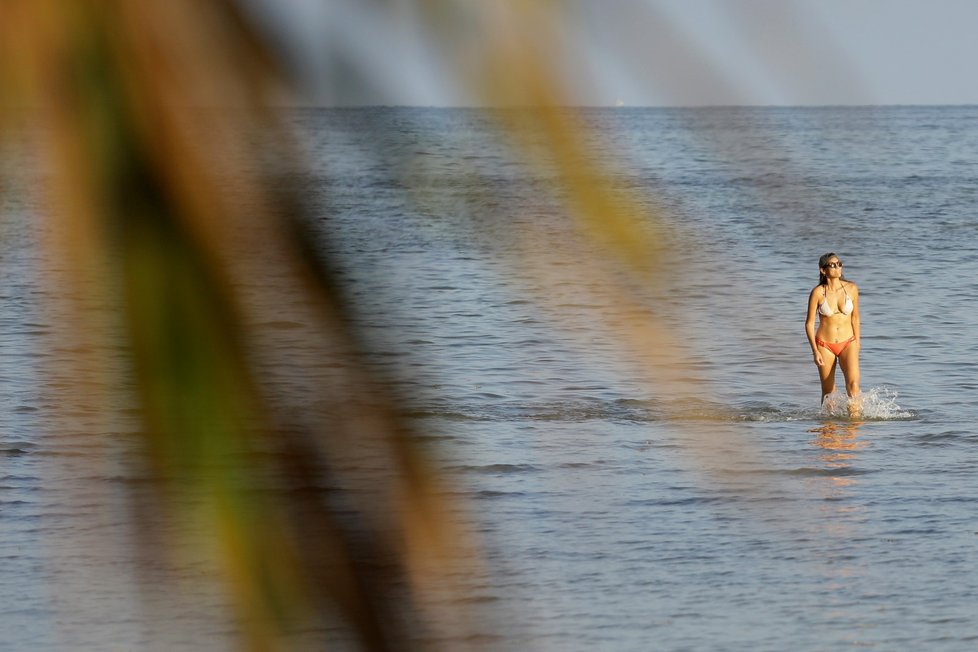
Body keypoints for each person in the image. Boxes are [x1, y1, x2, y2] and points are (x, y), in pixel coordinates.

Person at [805, 252, 861, 414]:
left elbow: (855, 318)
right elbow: (809, 324)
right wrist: (815, 351)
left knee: (854, 386)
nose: (838, 268)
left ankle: (853, 426)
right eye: (833, 265)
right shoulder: (817, 292)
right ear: (823, 270)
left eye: (839, 264)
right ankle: (828, 430)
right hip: (824, 344)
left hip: (848, 342)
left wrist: (857, 342)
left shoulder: (851, 288)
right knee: (829, 392)